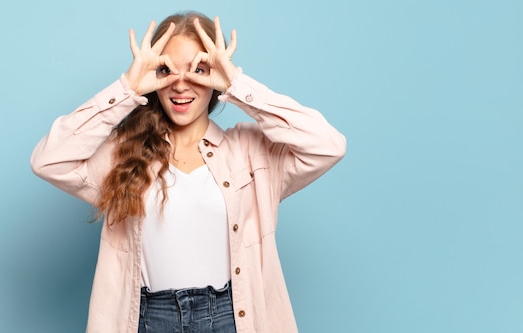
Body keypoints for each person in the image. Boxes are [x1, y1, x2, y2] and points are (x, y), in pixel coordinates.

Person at [31, 11, 346, 333]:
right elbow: (49, 159)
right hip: (147, 318)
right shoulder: (124, 155)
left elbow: (328, 144)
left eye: (199, 70)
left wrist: (239, 85)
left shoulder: (251, 152)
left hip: (233, 317)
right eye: (166, 70)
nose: (181, 84)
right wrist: (126, 90)